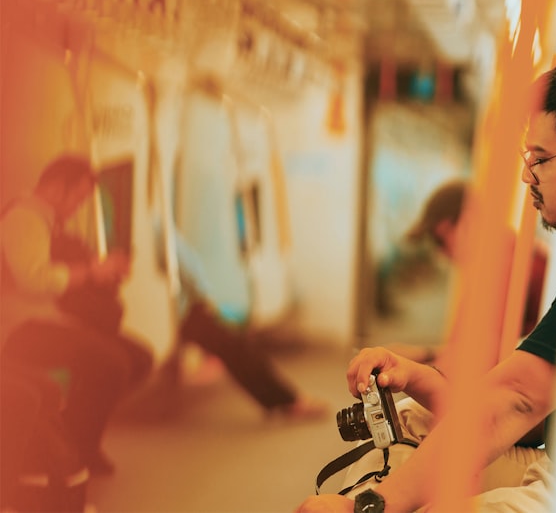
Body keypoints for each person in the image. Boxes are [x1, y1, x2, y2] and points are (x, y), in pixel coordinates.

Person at [295, 53, 556, 513]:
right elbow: (531, 412)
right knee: (411, 418)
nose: (527, 175)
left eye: (541, 158)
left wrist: (372, 507)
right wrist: (422, 376)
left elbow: (514, 399)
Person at [1, 154, 154, 477]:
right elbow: (34, 279)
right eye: (79, 197)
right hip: (22, 328)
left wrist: (99, 273)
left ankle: (73, 442)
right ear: (57, 188)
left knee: (136, 358)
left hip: (46, 321)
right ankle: (73, 449)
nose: (79, 206)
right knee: (111, 363)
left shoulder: (49, 222)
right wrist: (90, 274)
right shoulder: (25, 218)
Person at [157, 223, 329, 420]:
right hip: (182, 312)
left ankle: (286, 400)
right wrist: (204, 298)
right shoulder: (155, 225)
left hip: (165, 312)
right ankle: (289, 401)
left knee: (232, 346)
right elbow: (187, 265)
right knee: (236, 347)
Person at [385, 179, 549, 368]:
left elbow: (474, 364)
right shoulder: (501, 256)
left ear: (468, 221)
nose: (440, 253)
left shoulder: (503, 267)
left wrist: (409, 370)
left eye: (439, 240)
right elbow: (471, 348)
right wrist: (423, 355)